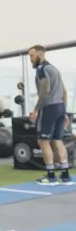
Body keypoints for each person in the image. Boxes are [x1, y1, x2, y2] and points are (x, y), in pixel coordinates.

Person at [28, 45, 72, 185]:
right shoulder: (54, 69)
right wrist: (64, 111)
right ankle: (65, 175)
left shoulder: (42, 69)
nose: (31, 59)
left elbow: (44, 91)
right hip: (59, 106)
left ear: (40, 54)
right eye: (30, 56)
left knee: (43, 141)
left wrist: (36, 110)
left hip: (49, 108)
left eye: (32, 55)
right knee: (57, 140)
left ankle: (51, 176)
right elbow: (64, 92)